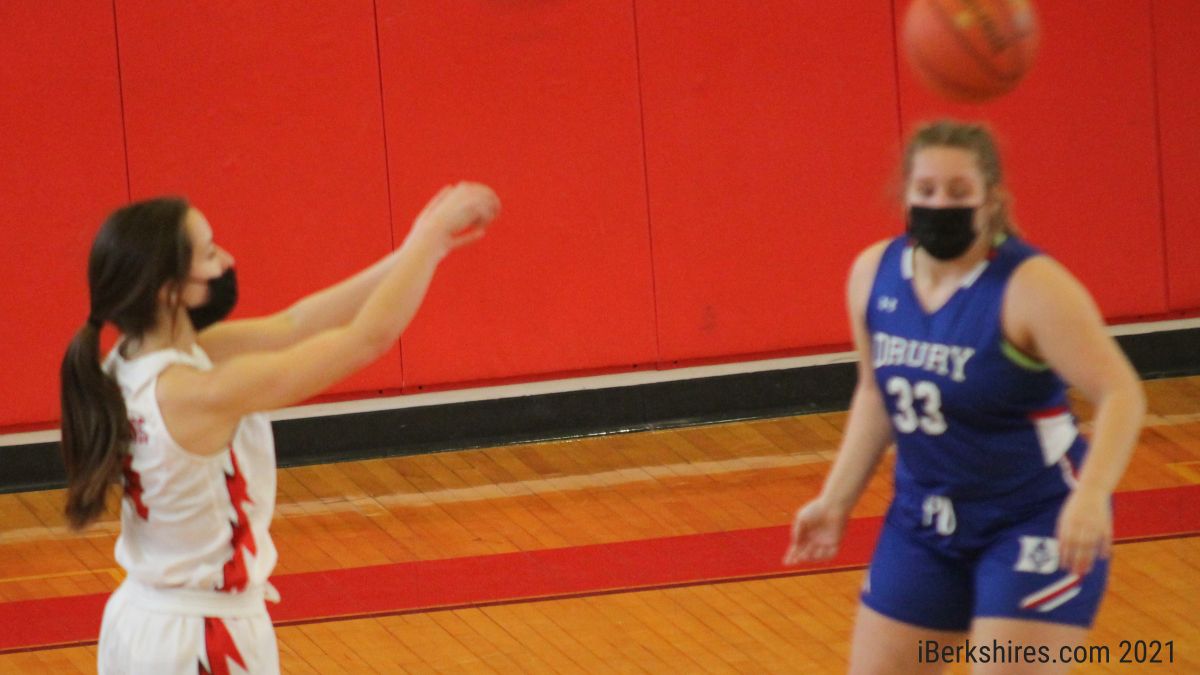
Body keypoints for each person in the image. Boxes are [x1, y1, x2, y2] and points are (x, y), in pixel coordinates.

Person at [59, 183, 500, 674]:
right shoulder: (196, 391)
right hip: (202, 639)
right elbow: (366, 340)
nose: (227, 260)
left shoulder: (131, 363)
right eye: (210, 253)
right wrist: (431, 239)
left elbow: (295, 324)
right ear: (169, 290)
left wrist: (416, 251)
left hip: (143, 623)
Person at [783, 120, 1145, 675]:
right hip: (924, 521)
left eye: (958, 192)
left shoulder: (1031, 287)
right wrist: (835, 500)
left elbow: (1121, 393)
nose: (940, 204)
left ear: (991, 199)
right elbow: (876, 393)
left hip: (1034, 519)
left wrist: (1093, 494)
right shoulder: (873, 275)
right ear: (904, 194)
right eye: (926, 190)